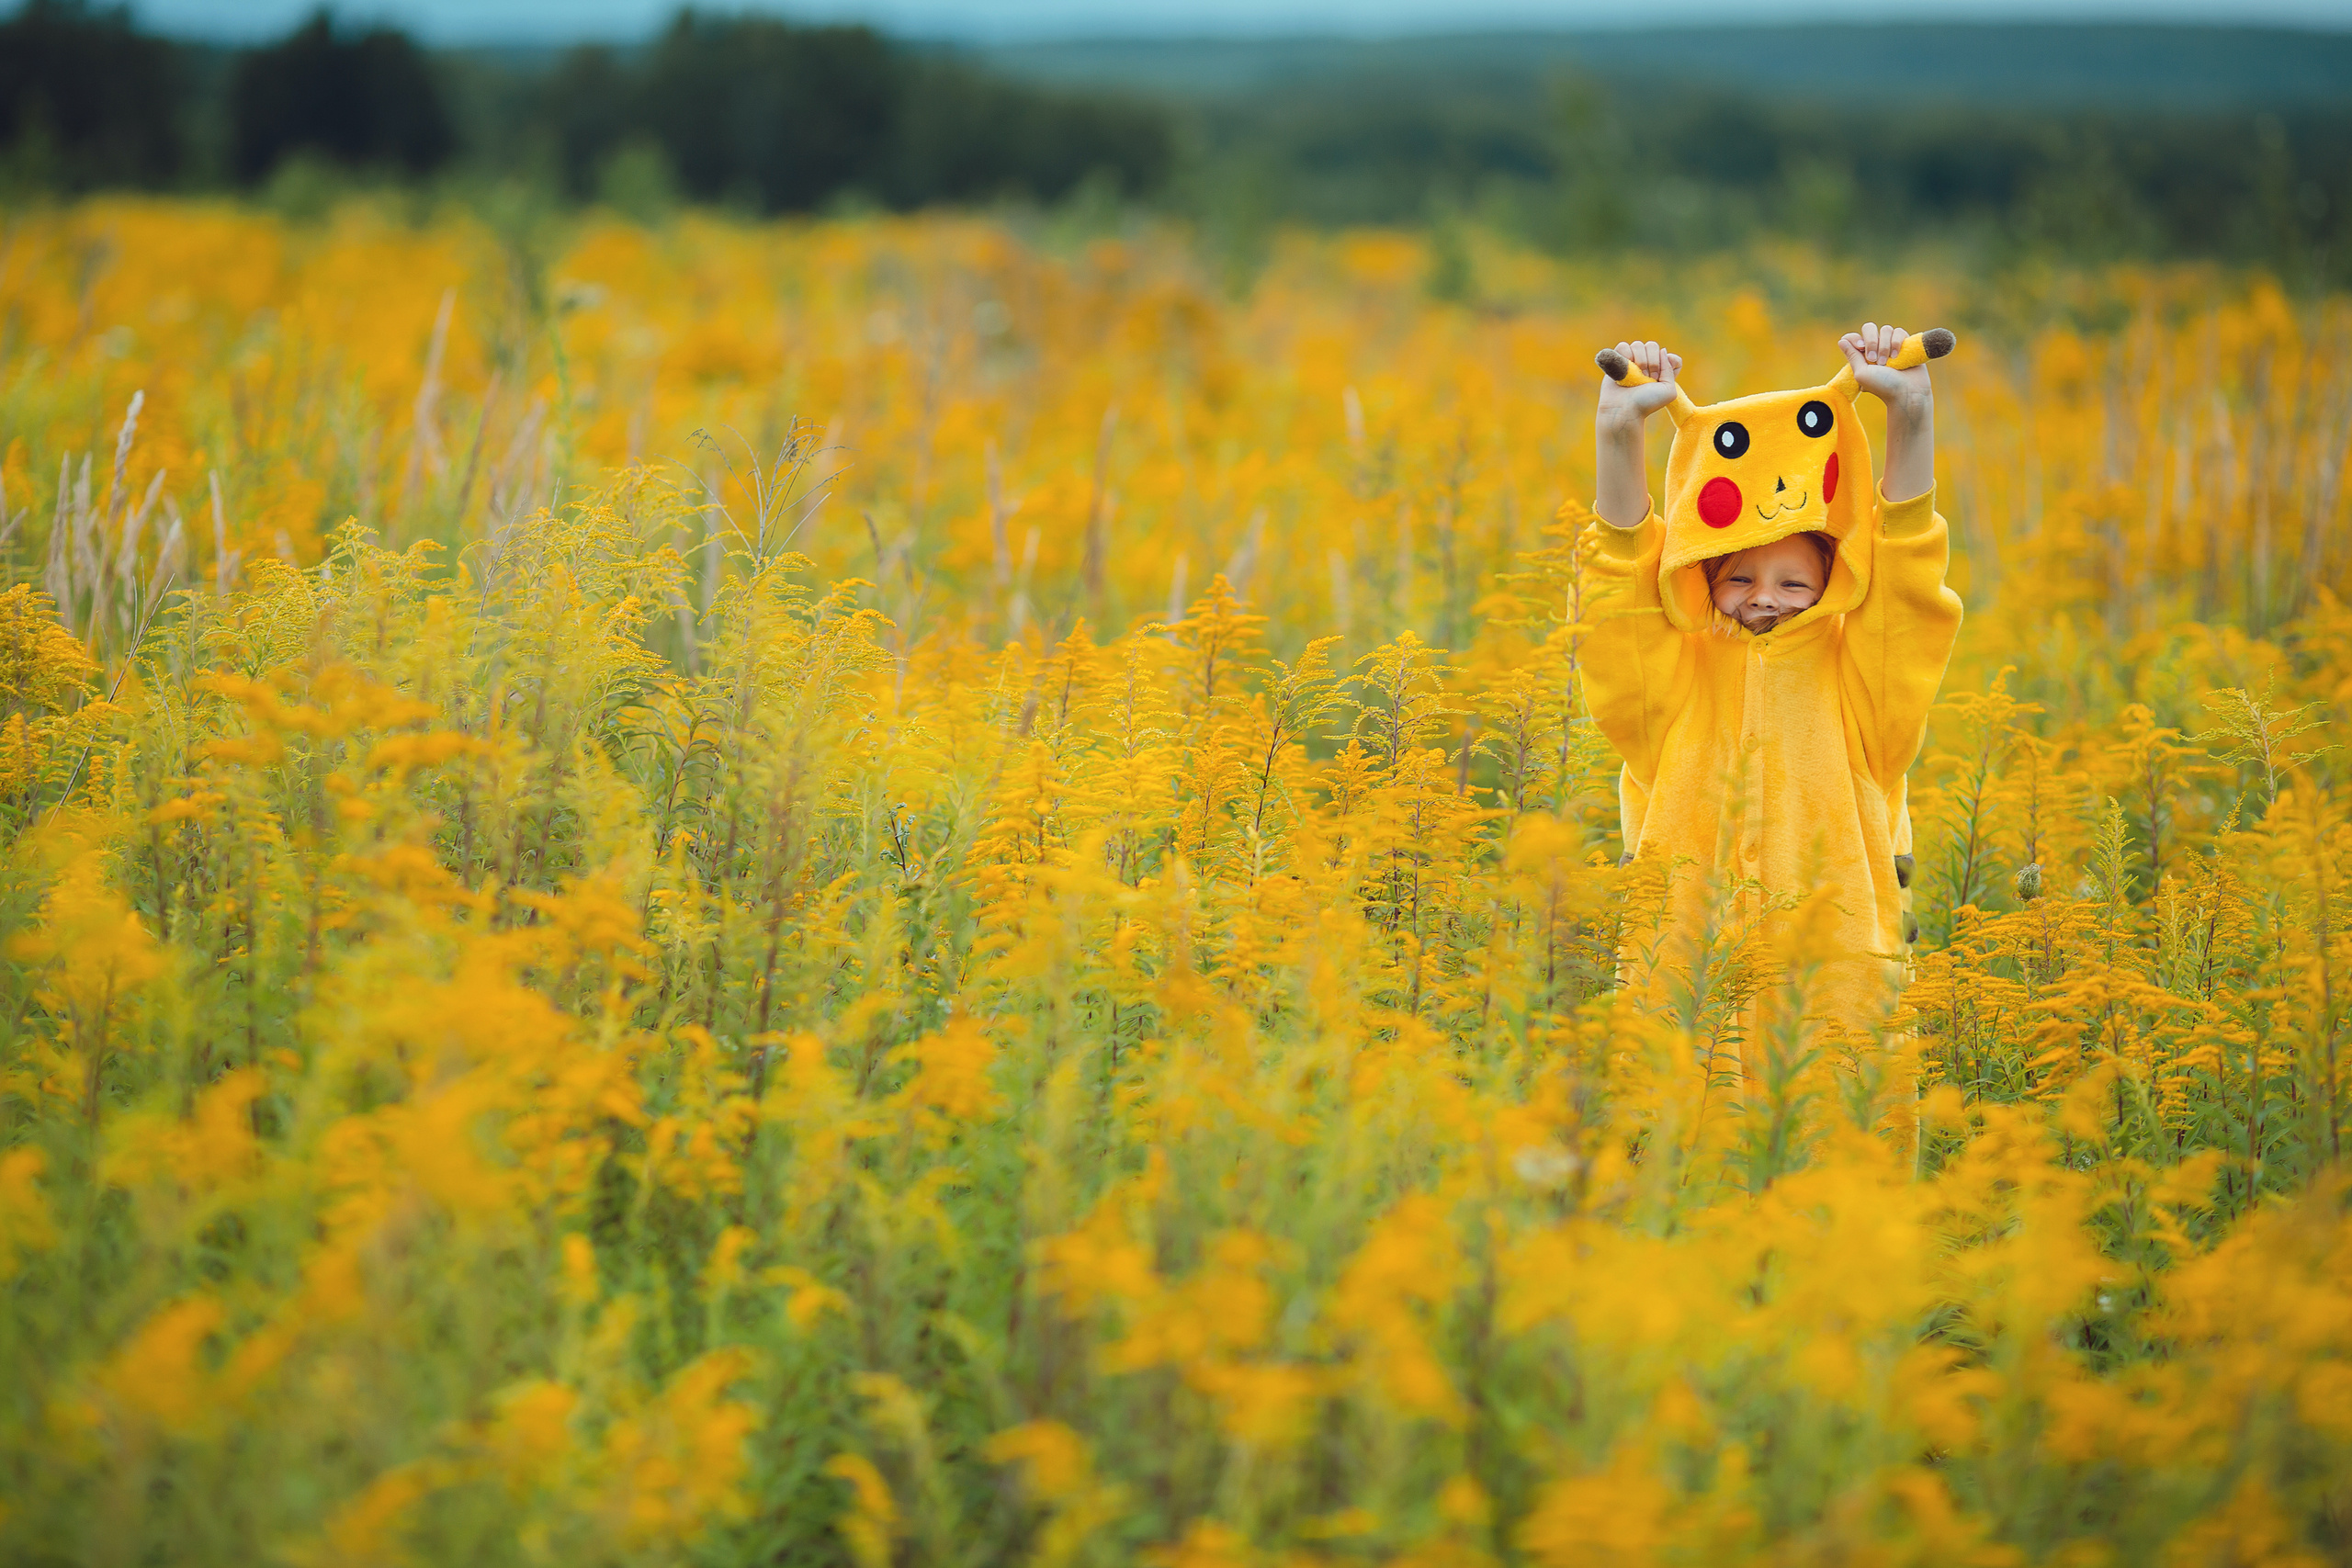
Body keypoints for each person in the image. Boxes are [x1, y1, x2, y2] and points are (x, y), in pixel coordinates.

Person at [1577, 323, 1964, 1075]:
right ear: (1700, 574)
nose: (1765, 599)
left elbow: (1907, 596)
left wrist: (1911, 419)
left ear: (1833, 583)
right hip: (1686, 1008)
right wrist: (1617, 437)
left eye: (1794, 582)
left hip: (1835, 1021)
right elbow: (1619, 613)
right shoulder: (1674, 683)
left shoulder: (1864, 686)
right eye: (1739, 578)